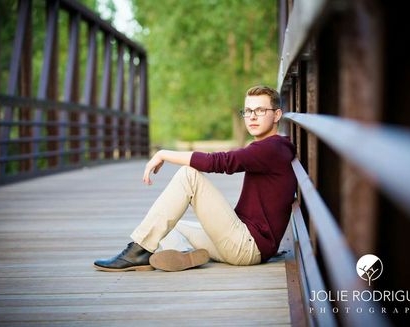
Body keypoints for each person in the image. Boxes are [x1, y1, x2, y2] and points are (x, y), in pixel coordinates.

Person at [93, 85, 297, 272]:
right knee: (170, 227)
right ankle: (185, 254)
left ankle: (138, 251)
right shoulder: (276, 147)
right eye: (248, 111)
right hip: (243, 242)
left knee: (188, 175)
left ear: (277, 114)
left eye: (260, 111)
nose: (252, 117)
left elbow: (220, 162)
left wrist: (164, 154)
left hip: (247, 247)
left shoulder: (271, 148)